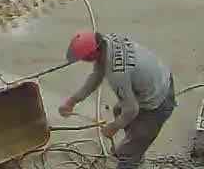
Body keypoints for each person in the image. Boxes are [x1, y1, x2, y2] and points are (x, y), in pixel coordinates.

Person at [58, 30, 176, 169]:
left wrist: (113, 127)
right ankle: (135, 147)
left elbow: (132, 110)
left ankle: (133, 152)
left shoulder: (117, 73)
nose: (82, 60)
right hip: (159, 79)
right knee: (119, 111)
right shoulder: (108, 41)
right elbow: (97, 74)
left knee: (127, 157)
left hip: (158, 103)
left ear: (93, 53)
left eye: (83, 58)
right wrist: (72, 101)